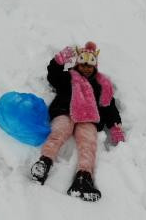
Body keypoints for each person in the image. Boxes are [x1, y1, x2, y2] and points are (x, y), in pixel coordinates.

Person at [30, 42, 125, 201]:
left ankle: (83, 177)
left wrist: (115, 126)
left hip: (88, 118)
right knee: (58, 134)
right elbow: (53, 74)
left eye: (90, 65)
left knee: (88, 143)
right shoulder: (67, 77)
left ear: (95, 66)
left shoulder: (101, 86)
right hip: (65, 111)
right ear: (77, 64)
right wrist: (59, 61)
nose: (86, 68)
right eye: (83, 64)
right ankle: (44, 163)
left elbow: (109, 107)